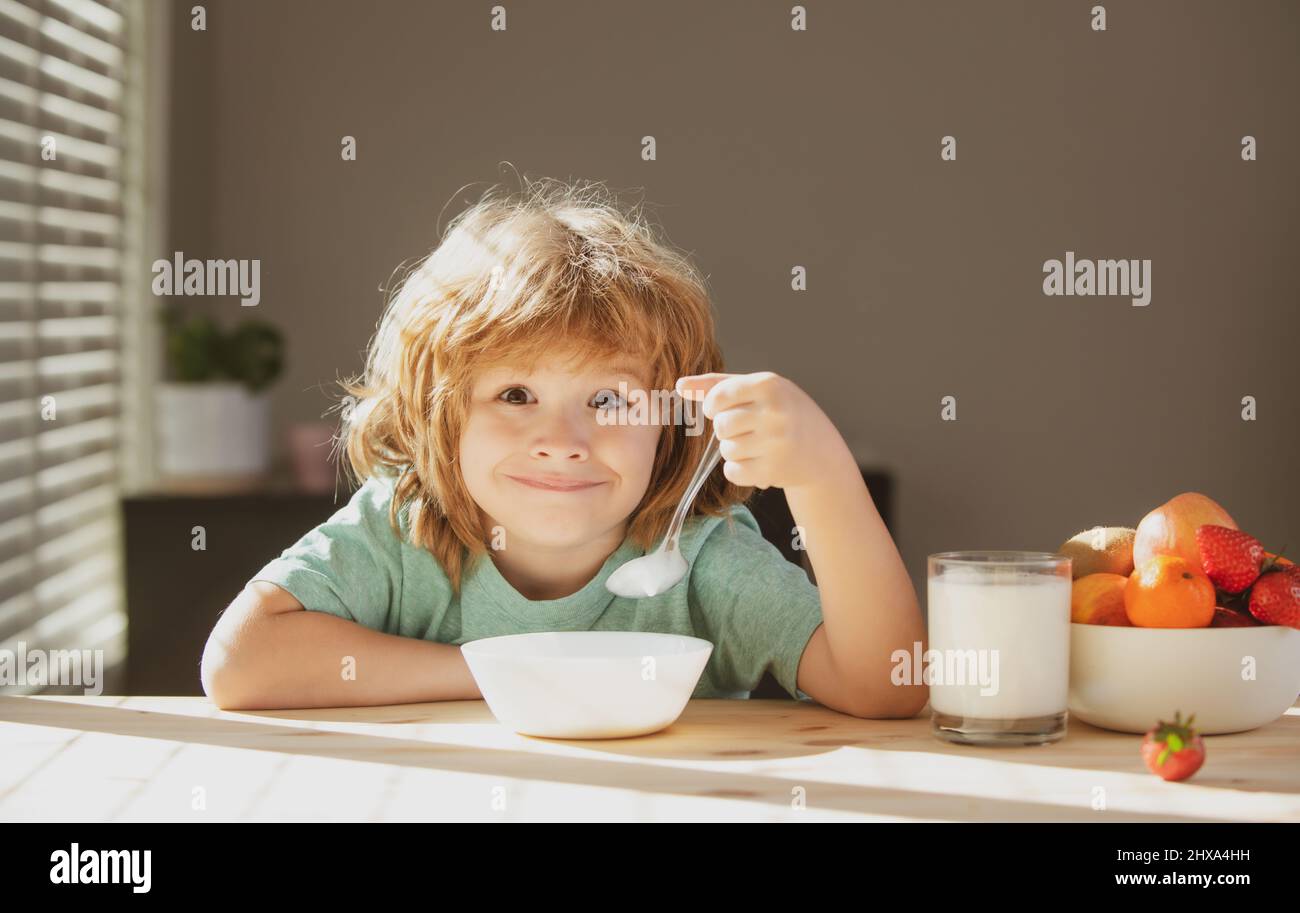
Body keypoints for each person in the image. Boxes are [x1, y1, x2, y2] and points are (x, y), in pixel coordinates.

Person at [200, 177, 926, 717]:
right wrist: (504, 670)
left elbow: (889, 684)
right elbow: (240, 663)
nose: (561, 442)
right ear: (440, 415)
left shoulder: (698, 559)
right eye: (516, 397)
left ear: (669, 419)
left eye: (607, 400)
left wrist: (822, 474)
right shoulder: (405, 528)